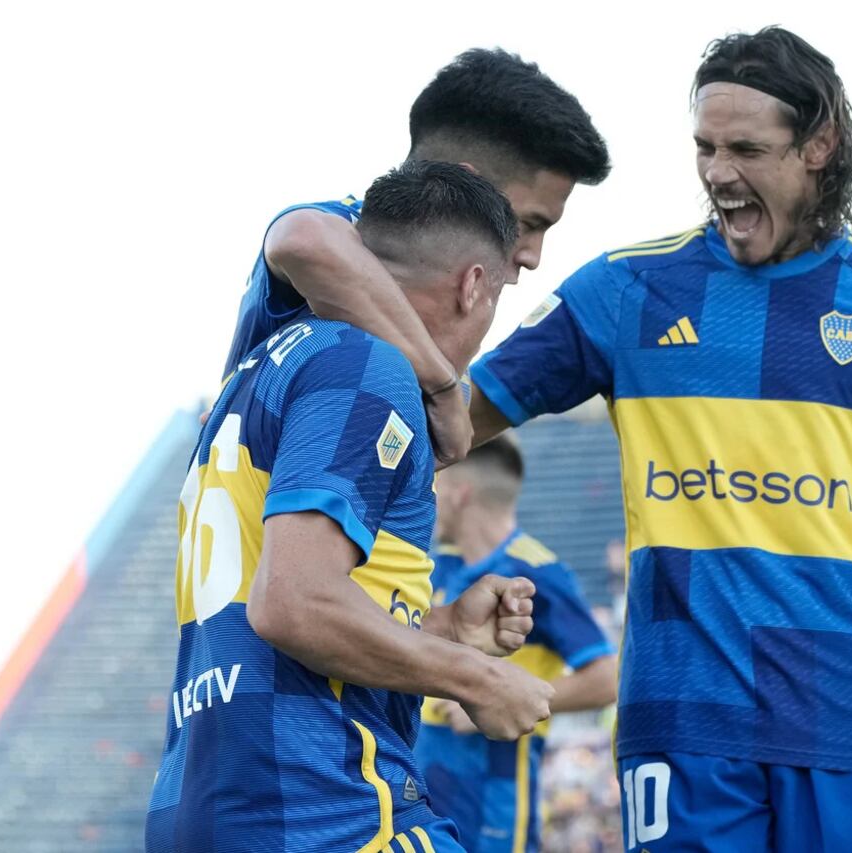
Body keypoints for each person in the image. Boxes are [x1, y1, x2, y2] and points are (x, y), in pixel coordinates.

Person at [466, 27, 852, 853]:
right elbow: (449, 419)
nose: (718, 172)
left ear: (819, 146)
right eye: (705, 147)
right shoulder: (628, 290)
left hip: (839, 722)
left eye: (746, 149)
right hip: (679, 719)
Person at [146, 161, 553, 853]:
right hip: (325, 806)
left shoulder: (258, 371)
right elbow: (290, 603)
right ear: (473, 284)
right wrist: (477, 677)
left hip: (210, 803)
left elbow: (271, 597)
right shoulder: (369, 366)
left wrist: (445, 628)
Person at [221, 48, 610, 466]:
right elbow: (299, 239)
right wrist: (442, 388)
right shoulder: (351, 232)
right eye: (529, 223)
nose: (533, 257)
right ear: (467, 182)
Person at [414, 435, 618, 852]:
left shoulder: (536, 572)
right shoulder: (440, 565)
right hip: (425, 794)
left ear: (457, 493)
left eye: (436, 485)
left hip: (495, 801)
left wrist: (489, 692)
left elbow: (607, 679)